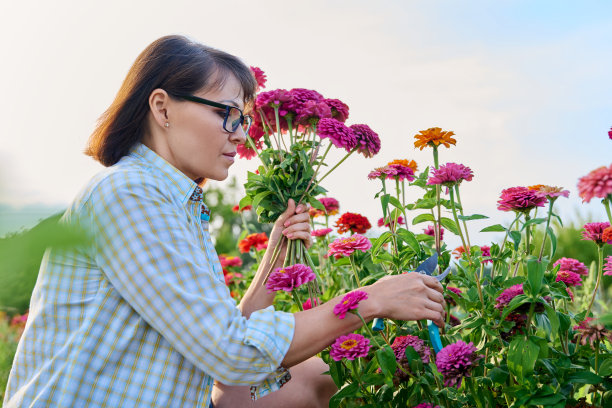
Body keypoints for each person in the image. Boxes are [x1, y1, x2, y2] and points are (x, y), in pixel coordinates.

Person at [3, 35, 446, 408]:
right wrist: (369, 299)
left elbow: (216, 342)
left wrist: (275, 260)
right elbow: (231, 353)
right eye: (226, 113)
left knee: (313, 381)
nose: (240, 133)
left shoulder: (173, 203)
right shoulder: (129, 194)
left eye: (246, 120)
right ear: (162, 108)